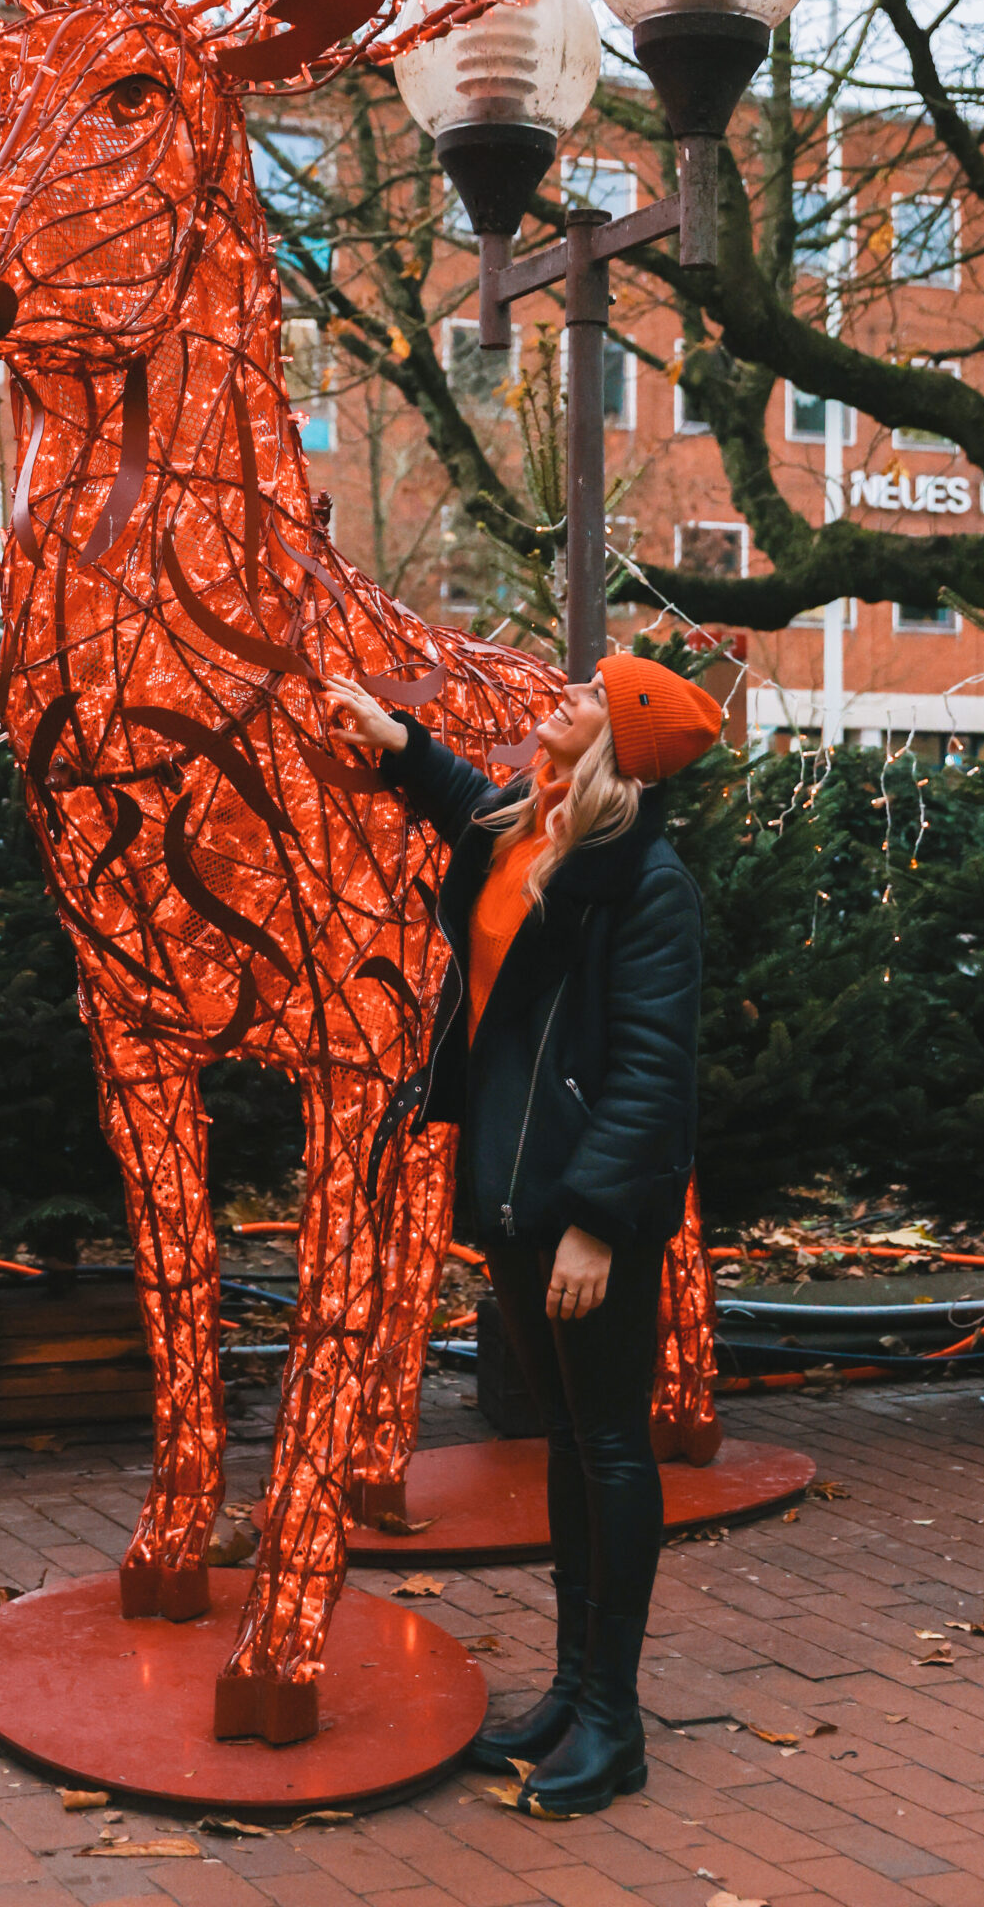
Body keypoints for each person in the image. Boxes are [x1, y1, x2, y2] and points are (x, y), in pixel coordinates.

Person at [325, 654, 721, 1817]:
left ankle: (615, 1720)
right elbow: (459, 795)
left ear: (620, 740)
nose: (569, 691)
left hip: (588, 1204)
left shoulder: (645, 883)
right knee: (563, 1437)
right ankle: (566, 1689)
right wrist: (395, 740)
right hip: (509, 1181)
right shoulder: (528, 828)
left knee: (608, 1444)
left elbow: (655, 1072)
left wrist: (600, 1223)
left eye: (594, 692)